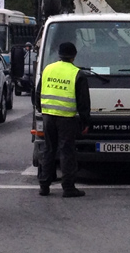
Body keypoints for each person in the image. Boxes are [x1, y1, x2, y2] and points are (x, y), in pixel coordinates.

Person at [36, 42, 91, 198]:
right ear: (74, 56)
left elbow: (38, 93)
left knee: (48, 149)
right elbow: (83, 102)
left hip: (48, 116)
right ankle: (68, 188)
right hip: (66, 119)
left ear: (59, 54)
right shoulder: (77, 73)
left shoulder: (48, 69)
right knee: (67, 151)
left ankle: (44, 186)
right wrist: (85, 122)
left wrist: (42, 110)